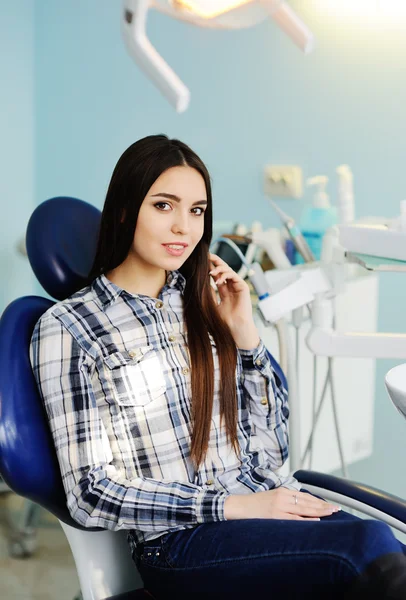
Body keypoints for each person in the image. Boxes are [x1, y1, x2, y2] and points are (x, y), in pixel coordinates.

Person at [30, 134, 406, 599]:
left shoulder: (204, 306)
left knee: (390, 551)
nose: (183, 228)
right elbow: (90, 494)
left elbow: (271, 454)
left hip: (266, 505)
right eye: (164, 206)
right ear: (126, 210)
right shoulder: (69, 327)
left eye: (196, 210)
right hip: (183, 541)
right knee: (365, 549)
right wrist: (235, 506)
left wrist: (245, 336)